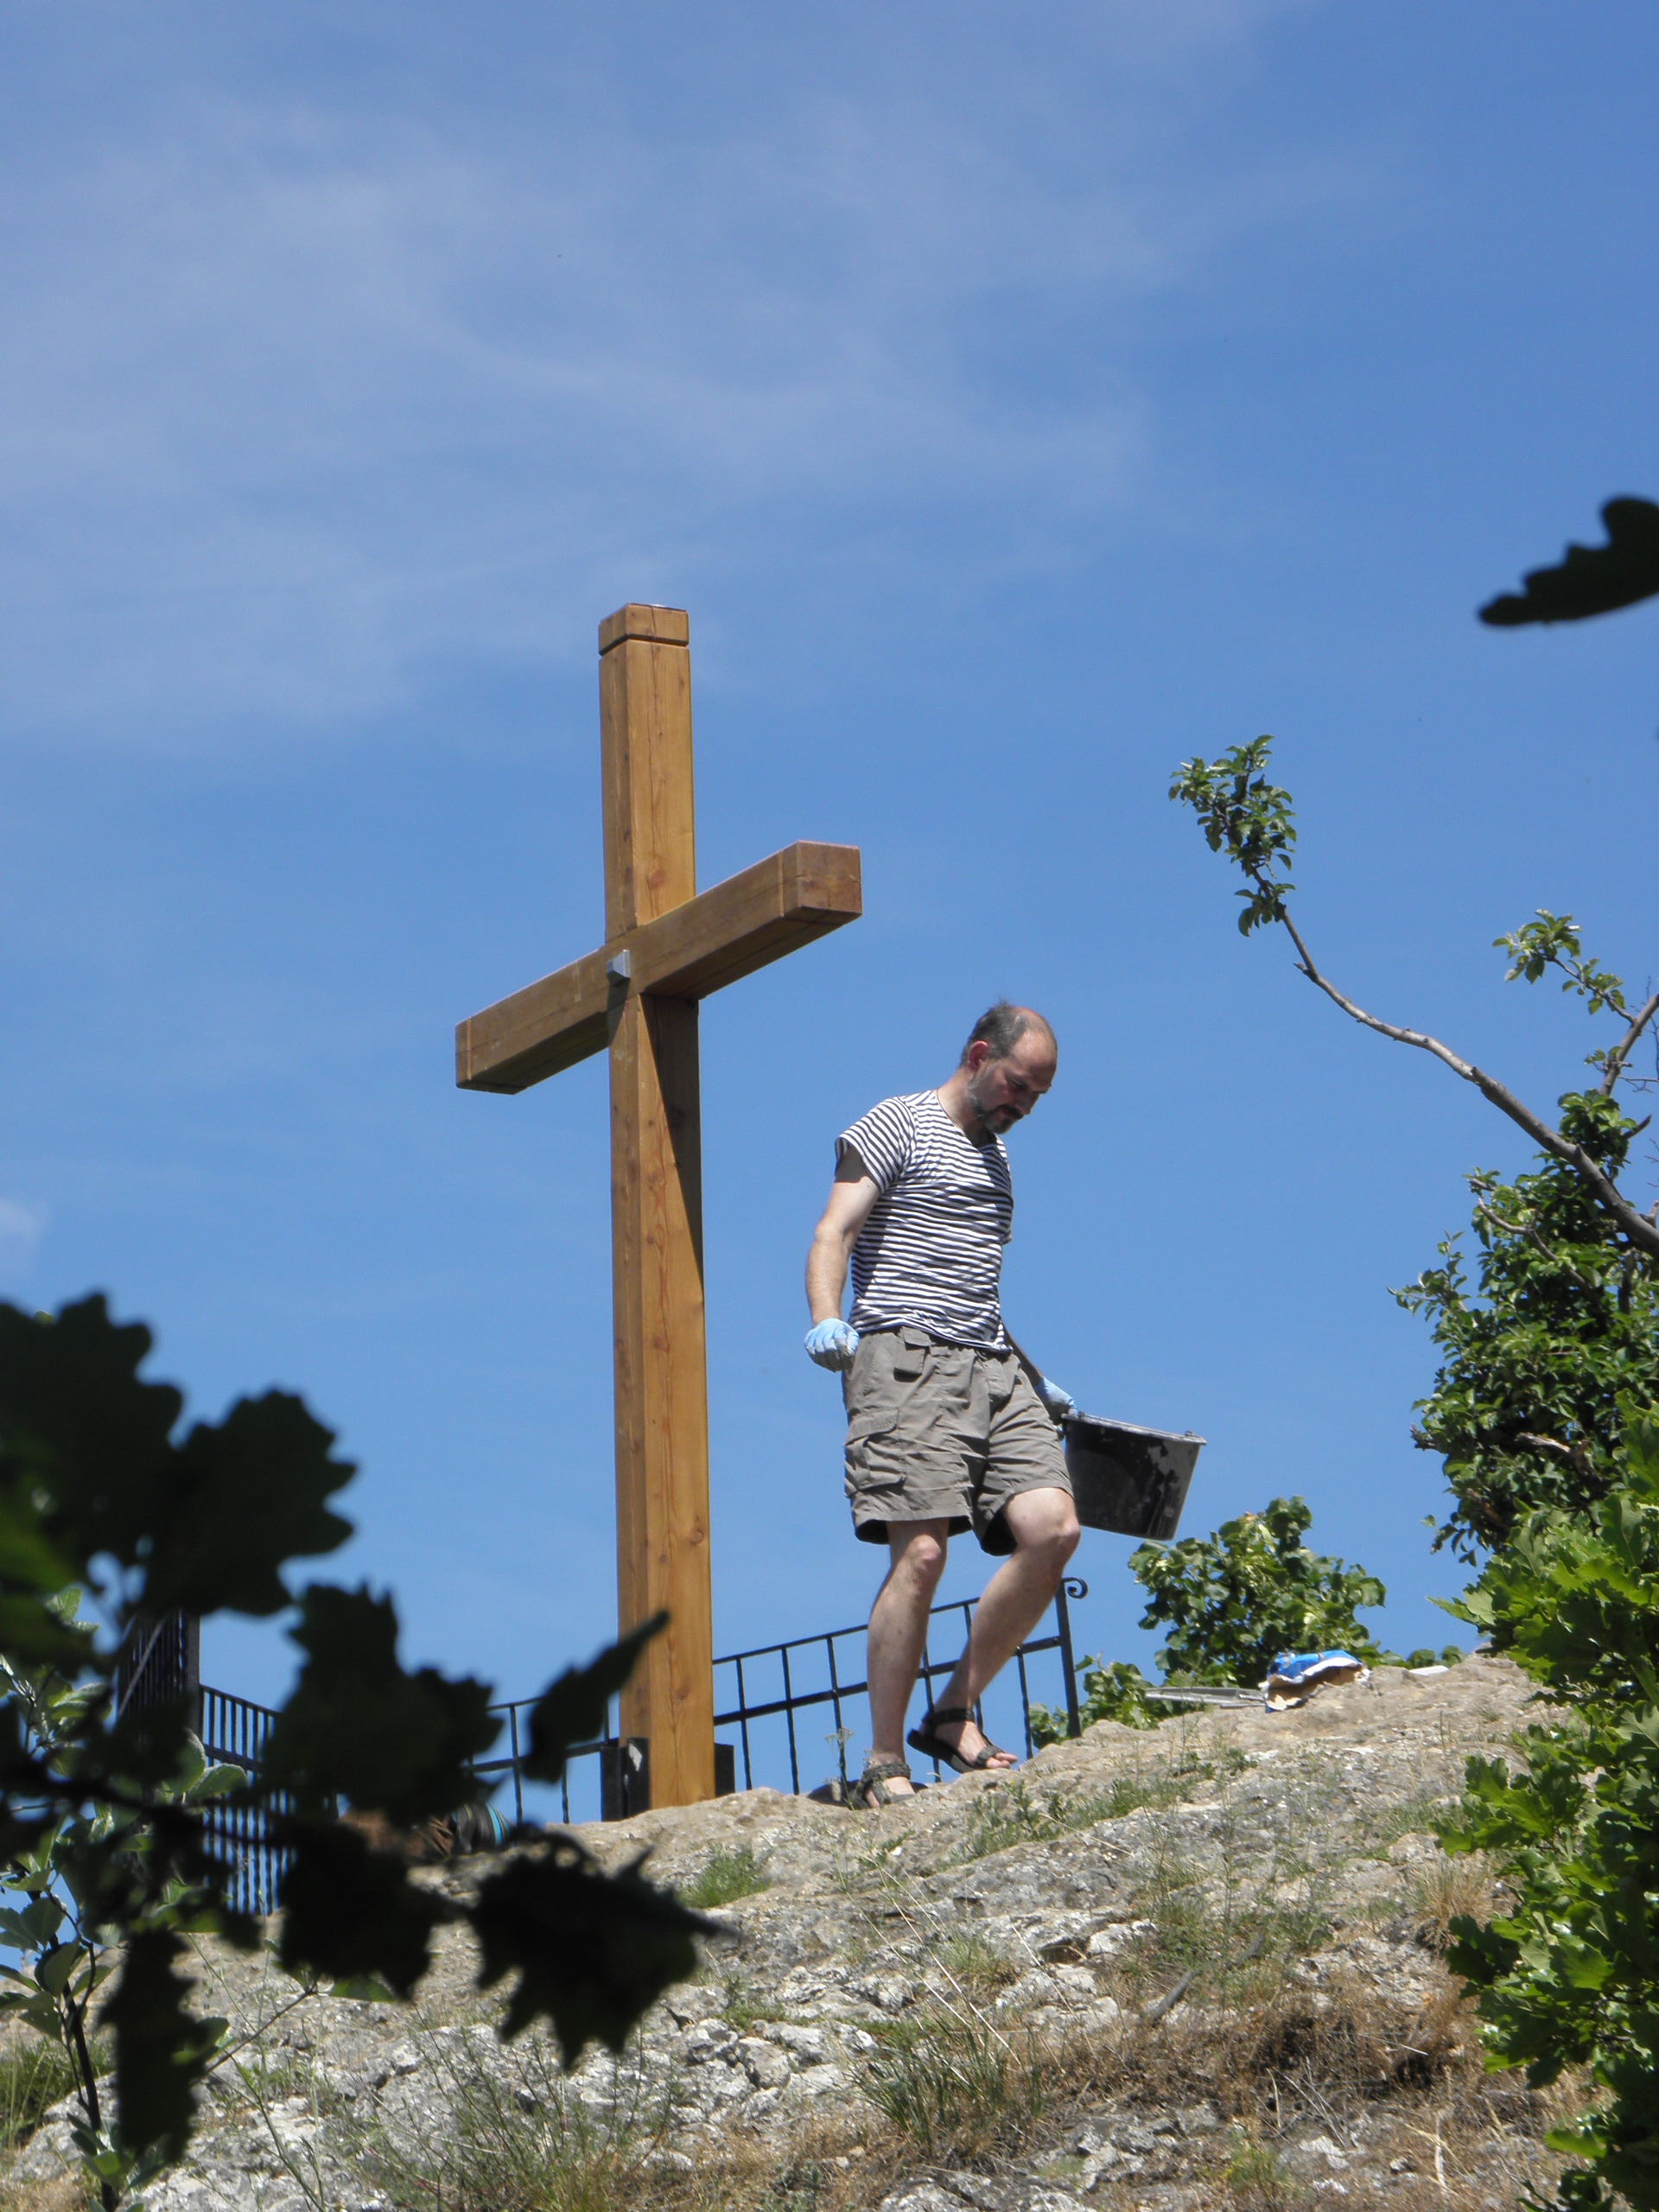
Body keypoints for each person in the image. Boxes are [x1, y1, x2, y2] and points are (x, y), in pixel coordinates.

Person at [803, 1002, 1081, 1808]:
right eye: (1016, 1086)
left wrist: (1036, 1376)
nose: (1021, 1107)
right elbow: (834, 1231)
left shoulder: (996, 1163)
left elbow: (975, 1288)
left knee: (1053, 1528)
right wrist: (826, 1315)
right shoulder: (897, 1123)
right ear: (977, 1054)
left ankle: (954, 1706)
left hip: (995, 1367)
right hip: (905, 1358)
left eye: (1035, 1099)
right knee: (921, 1555)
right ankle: (884, 1764)